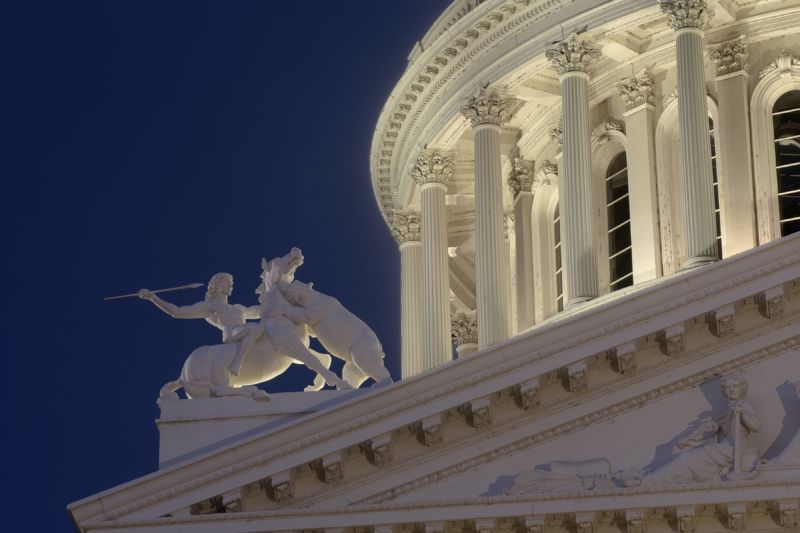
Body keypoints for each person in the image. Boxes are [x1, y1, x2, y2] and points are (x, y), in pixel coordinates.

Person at [640, 372, 761, 484]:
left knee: (686, 459)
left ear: (742, 388)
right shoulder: (726, 410)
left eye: (735, 386)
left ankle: (650, 481)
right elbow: (719, 433)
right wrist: (709, 428)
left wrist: (743, 415)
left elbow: (757, 427)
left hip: (736, 447)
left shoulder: (744, 406)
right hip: (723, 447)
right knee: (683, 455)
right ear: (724, 391)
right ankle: (652, 479)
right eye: (728, 387)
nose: (732, 389)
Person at [138, 273, 262, 376]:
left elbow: (258, 311)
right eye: (226, 282)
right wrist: (153, 298)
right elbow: (177, 311)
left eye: (232, 283)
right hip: (231, 333)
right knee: (254, 327)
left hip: (243, 331)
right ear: (217, 285)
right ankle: (237, 363)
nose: (231, 285)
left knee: (262, 330)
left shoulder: (238, 307)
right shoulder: (208, 307)